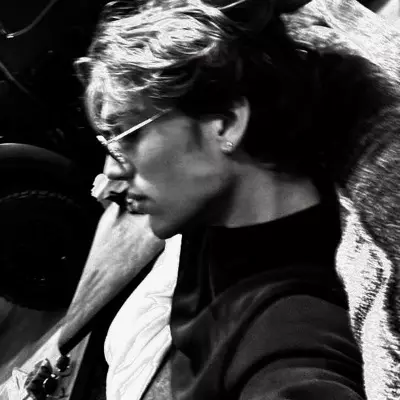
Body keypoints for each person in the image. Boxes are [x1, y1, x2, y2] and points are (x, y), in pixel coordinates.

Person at [76, 0, 368, 398]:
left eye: (128, 136)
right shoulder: (215, 211)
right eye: (109, 142)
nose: (111, 172)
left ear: (226, 123)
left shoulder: (292, 328)